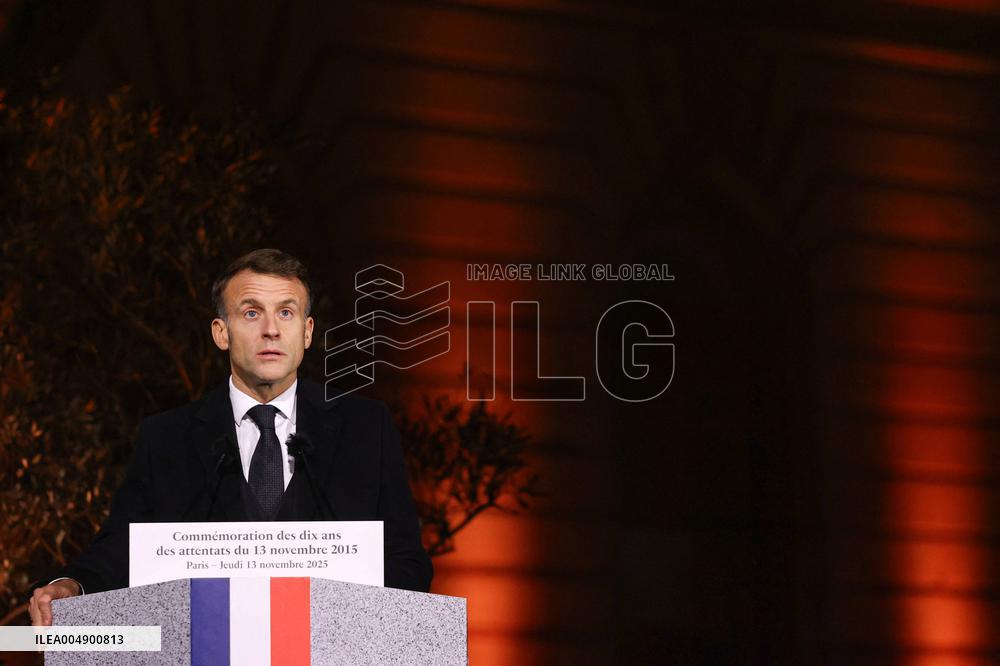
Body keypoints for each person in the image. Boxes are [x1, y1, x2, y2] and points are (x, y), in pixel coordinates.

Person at [29, 249, 432, 625]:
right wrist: (73, 586)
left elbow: (404, 560)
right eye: (252, 313)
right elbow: (126, 549)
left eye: (286, 313)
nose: (271, 330)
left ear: (308, 333)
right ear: (221, 333)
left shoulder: (366, 428)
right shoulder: (167, 438)